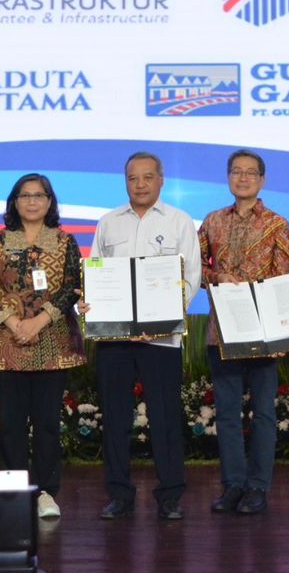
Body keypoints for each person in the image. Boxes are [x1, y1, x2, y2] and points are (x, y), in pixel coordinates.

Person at [93, 151, 201, 520]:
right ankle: (119, 494)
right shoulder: (108, 222)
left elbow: (191, 278)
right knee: (115, 417)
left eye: (147, 177)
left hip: (161, 338)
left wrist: (161, 318)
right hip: (116, 339)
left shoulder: (179, 221)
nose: (139, 184)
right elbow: (96, 271)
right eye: (132, 178)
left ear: (161, 180)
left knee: (166, 417)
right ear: (125, 181)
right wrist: (92, 305)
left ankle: (170, 494)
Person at [0, 173, 87, 520]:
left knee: (48, 422)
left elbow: (71, 288)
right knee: (11, 422)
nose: (32, 201)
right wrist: (14, 323)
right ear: (14, 202)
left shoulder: (65, 242)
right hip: (8, 342)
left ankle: (47, 493)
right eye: (25, 195)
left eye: (40, 195)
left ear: (50, 202)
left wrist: (38, 322)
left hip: (51, 341)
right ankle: (13, 491)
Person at [199, 149, 289, 515]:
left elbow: (286, 276)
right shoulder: (211, 221)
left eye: (250, 173)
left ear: (262, 179)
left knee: (263, 414)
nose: (243, 178)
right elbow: (194, 268)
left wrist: (285, 330)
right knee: (226, 414)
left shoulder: (277, 224)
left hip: (264, 330)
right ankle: (233, 485)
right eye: (236, 172)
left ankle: (258, 487)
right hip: (221, 332)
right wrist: (216, 277)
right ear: (228, 178)